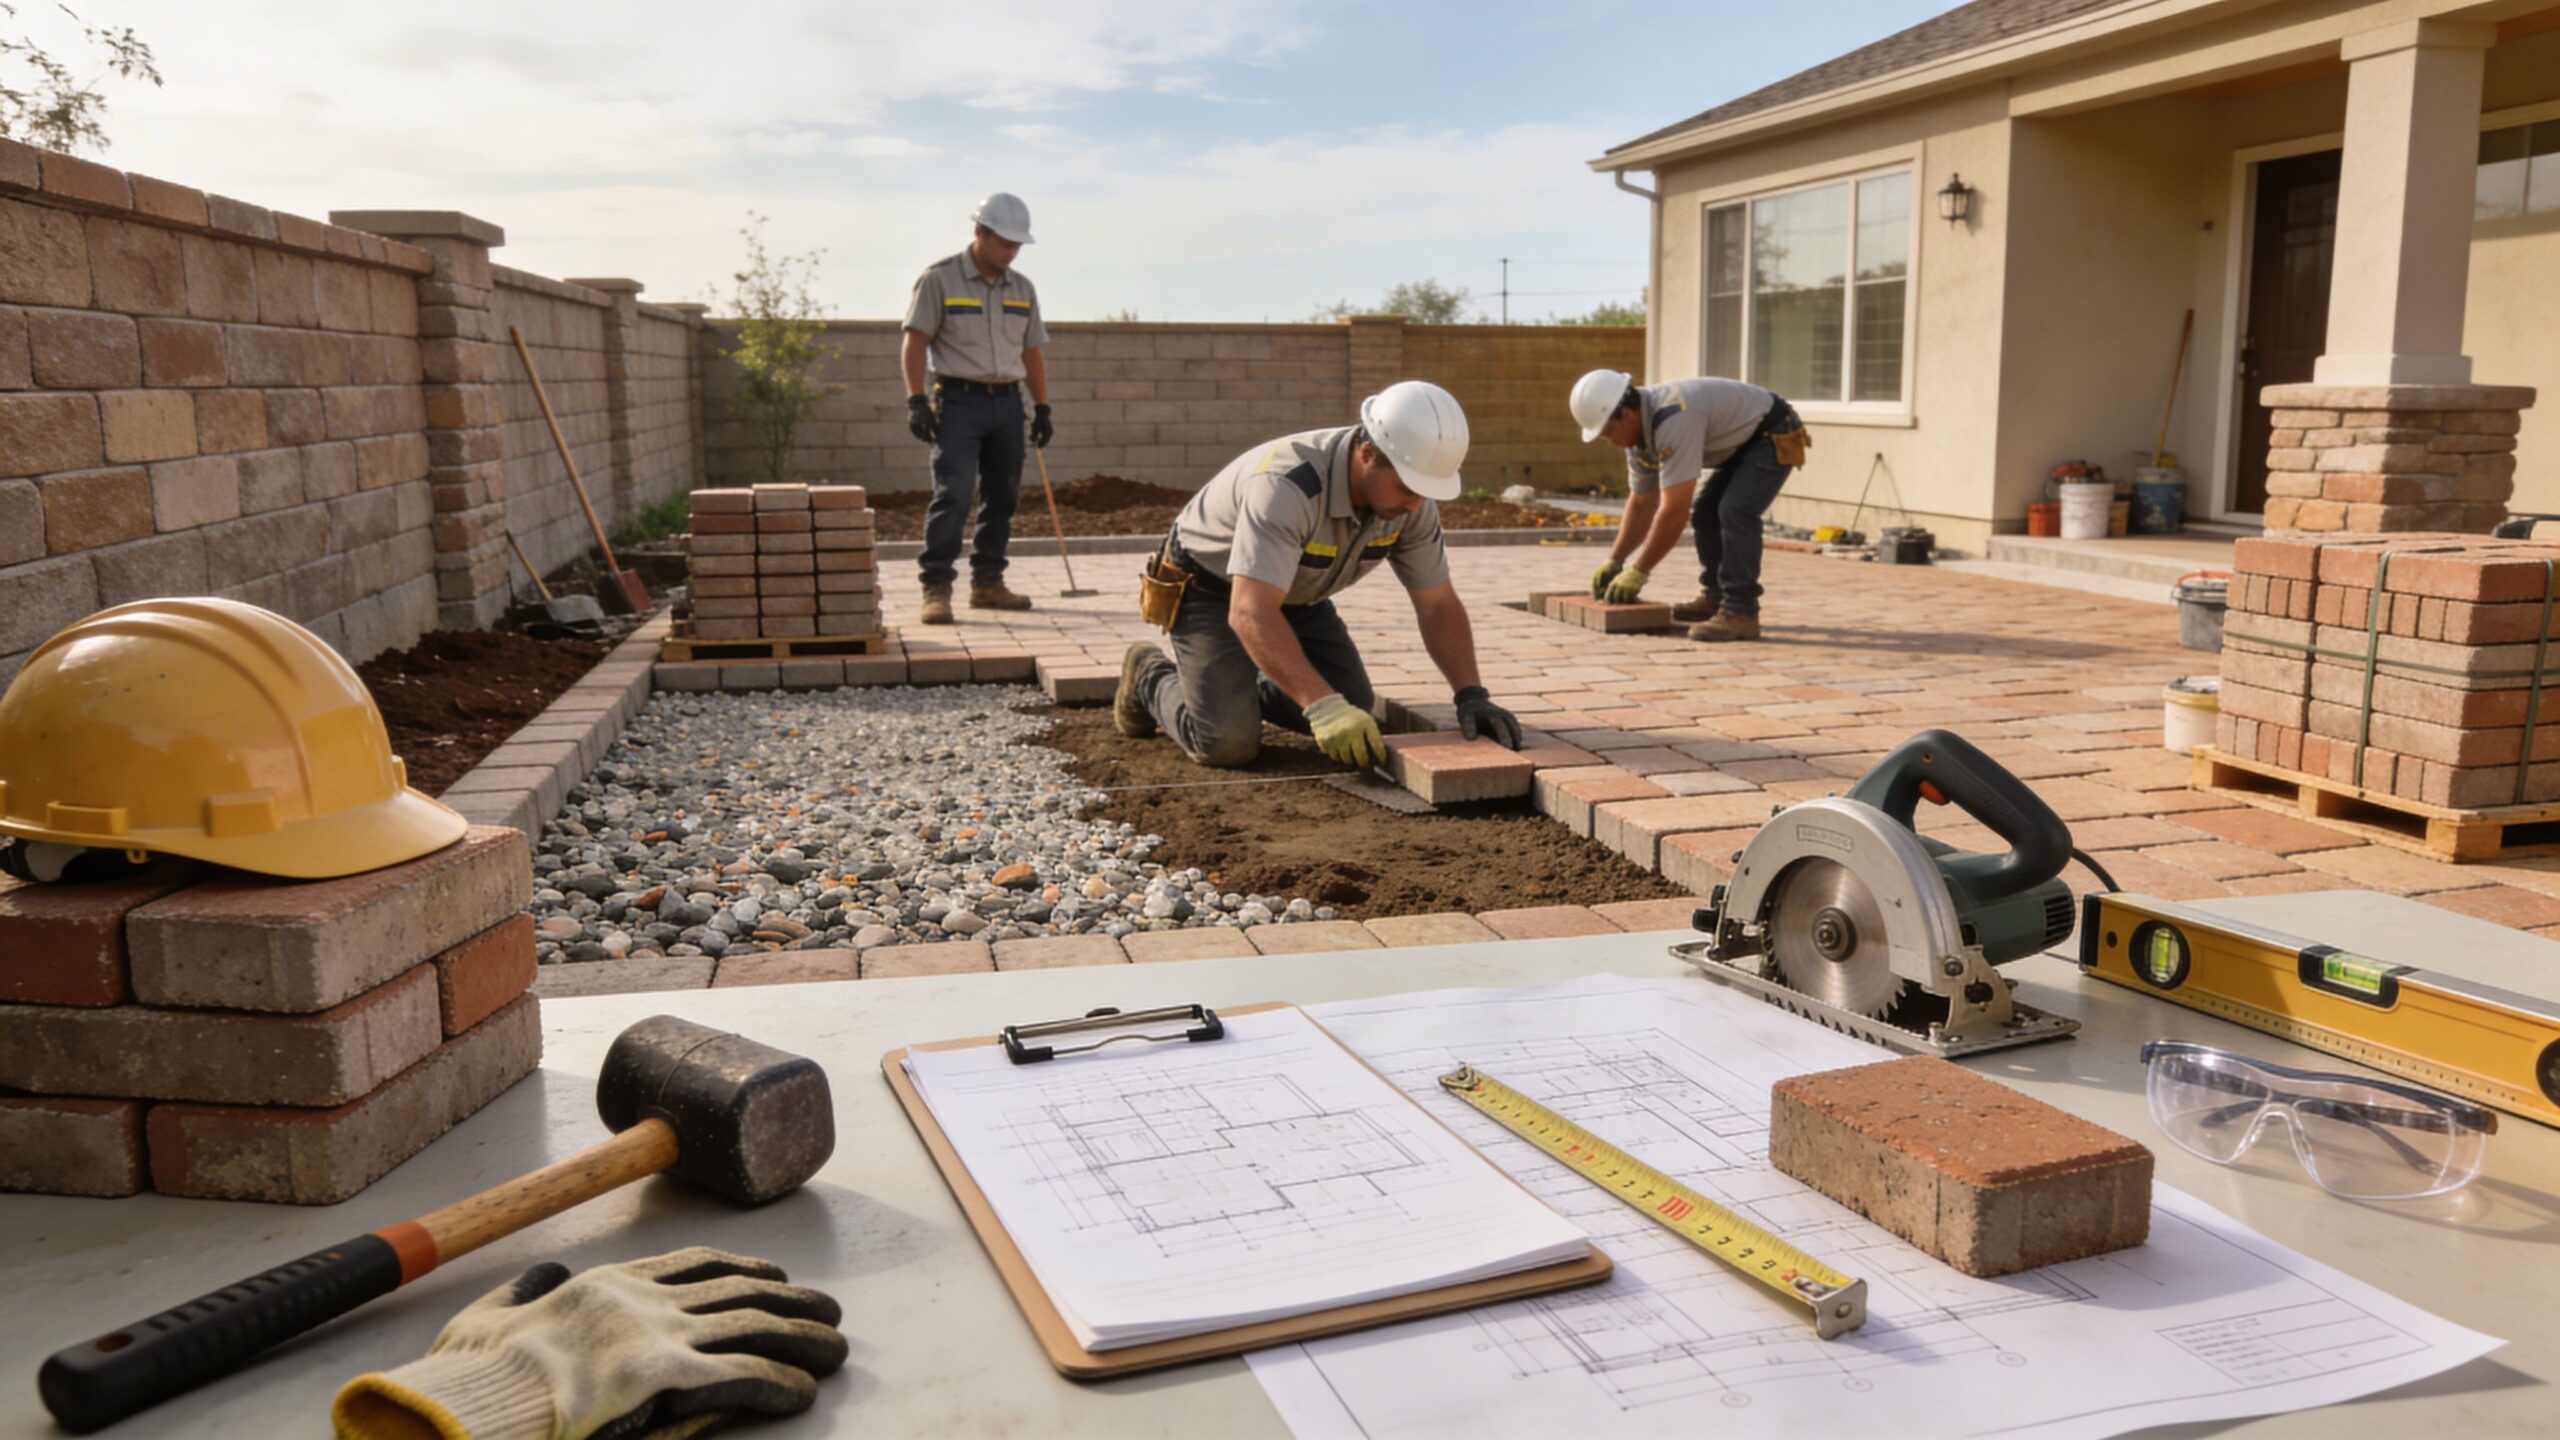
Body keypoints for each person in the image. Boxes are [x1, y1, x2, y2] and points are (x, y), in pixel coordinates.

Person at [1112, 380, 1523, 770]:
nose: (1416, 505)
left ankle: (1233, 684)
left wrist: (1471, 694)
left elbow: (1437, 605)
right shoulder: (1286, 486)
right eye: (1407, 487)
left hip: (1294, 596)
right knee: (1227, 741)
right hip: (1211, 587)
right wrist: (1321, 705)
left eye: (1425, 491)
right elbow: (1249, 612)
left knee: (1355, 706)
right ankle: (1149, 672)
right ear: (1367, 455)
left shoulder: (1411, 506)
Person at [901, 192, 1055, 625]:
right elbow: (915, 341)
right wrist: (916, 399)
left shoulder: (1023, 289)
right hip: (958, 403)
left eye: (1017, 245)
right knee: (953, 494)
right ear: (979, 233)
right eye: (1004, 242)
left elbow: (1032, 353)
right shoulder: (940, 280)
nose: (1011, 251)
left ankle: (988, 584)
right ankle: (936, 587)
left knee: (1002, 497)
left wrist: (1042, 408)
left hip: (1008, 405)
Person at [1568, 368, 1806, 642]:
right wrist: (1616, 560)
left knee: (1735, 511)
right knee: (1706, 514)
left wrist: (1639, 571)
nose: (1609, 440)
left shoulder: (1673, 418)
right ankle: (1716, 597)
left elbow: (1673, 510)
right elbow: (1642, 503)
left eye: (1608, 431)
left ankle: (1741, 612)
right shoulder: (1638, 439)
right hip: (1742, 443)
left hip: (1773, 433)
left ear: (1627, 413)